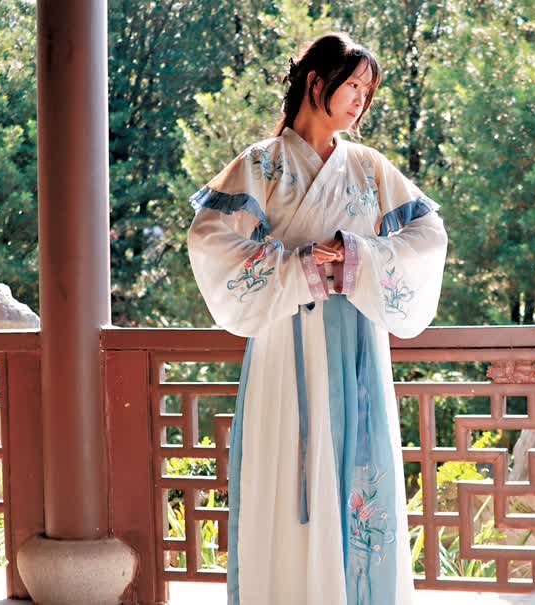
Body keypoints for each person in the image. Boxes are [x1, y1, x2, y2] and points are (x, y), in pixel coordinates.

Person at [186, 31, 448, 605]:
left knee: (356, 471)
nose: (360, 101)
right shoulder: (262, 163)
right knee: (289, 469)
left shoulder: (370, 168)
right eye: (352, 86)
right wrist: (297, 264)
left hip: (357, 335)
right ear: (316, 82)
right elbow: (208, 239)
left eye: (367, 91)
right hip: (287, 336)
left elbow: (429, 237)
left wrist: (357, 255)